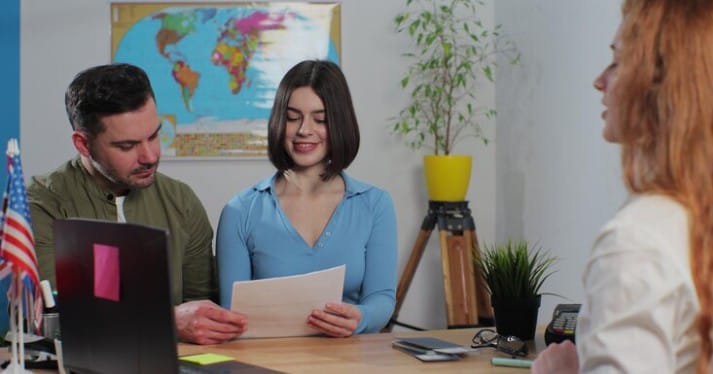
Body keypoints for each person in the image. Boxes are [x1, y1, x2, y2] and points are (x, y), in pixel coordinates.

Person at [532, 0, 713, 372]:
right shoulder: (697, 221)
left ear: (657, 83)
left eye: (617, 62)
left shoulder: (636, 241)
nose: (600, 80)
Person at [27, 63, 247, 345]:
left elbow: (200, 304)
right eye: (127, 146)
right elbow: (55, 314)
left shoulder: (181, 201)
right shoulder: (41, 203)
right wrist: (168, 321)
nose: (150, 156)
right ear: (83, 144)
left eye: (154, 135)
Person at [216, 60, 397, 337]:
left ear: (339, 122)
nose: (304, 130)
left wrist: (361, 317)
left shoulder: (375, 205)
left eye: (320, 119)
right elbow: (232, 310)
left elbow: (382, 298)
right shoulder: (240, 211)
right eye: (292, 117)